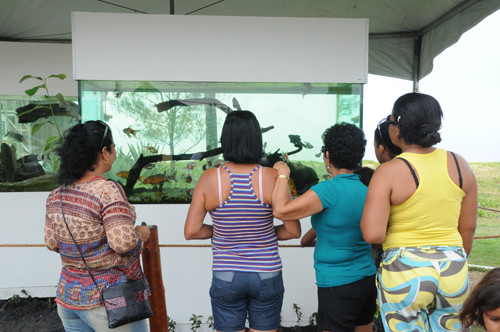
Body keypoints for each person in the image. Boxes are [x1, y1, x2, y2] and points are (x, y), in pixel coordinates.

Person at [361, 92, 478, 331]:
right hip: (453, 267)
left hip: (405, 271)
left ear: (396, 128)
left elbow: (373, 235)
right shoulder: (459, 164)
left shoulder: (388, 172)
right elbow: (468, 227)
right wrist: (450, 258)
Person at [184, 110, 301, 332]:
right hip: (267, 272)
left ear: (225, 139)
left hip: (226, 274)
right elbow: (293, 231)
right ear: (257, 139)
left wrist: (223, 231)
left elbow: (192, 231)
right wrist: (262, 232)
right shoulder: (272, 177)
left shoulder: (210, 178)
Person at [44, 120, 151, 332]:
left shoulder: (57, 195)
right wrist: (141, 234)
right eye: (113, 148)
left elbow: (52, 243)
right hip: (110, 301)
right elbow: (122, 243)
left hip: (69, 299)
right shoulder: (107, 190)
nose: (115, 153)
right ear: (104, 152)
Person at [273, 123, 377, 332]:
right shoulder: (368, 188)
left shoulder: (327, 190)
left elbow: (281, 210)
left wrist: (282, 174)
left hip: (338, 284)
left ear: (327, 155)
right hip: (366, 279)